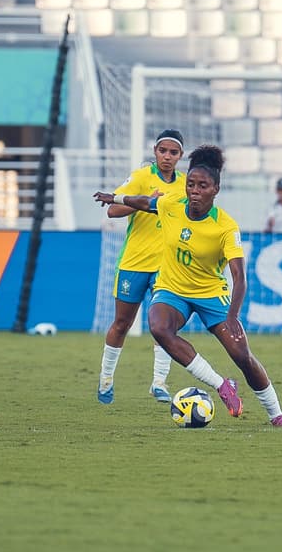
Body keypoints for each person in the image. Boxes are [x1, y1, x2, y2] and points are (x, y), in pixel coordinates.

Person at [93, 144, 282, 428]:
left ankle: (277, 414)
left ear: (216, 189)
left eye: (203, 185)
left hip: (210, 294)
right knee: (159, 328)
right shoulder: (171, 206)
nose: (194, 190)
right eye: (190, 184)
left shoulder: (225, 227)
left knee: (243, 356)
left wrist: (233, 316)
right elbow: (143, 202)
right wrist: (114, 197)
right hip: (172, 290)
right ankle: (222, 385)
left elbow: (239, 276)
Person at [95, 129, 187, 405]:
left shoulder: (185, 185)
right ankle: (106, 377)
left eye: (173, 152)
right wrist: (145, 204)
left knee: (164, 326)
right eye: (163, 151)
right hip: (134, 262)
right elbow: (112, 209)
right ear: (155, 152)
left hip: (166, 267)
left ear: (180, 156)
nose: (167, 157)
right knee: (122, 323)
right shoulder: (141, 177)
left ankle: (159, 382)